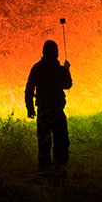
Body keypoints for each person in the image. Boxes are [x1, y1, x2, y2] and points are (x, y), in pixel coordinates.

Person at [24, 38, 73, 169]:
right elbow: (67, 85)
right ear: (55, 53)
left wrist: (30, 108)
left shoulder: (37, 68)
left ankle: (45, 173)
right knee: (61, 142)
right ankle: (59, 172)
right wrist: (67, 69)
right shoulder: (59, 69)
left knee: (44, 144)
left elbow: (29, 89)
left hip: (43, 111)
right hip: (57, 111)